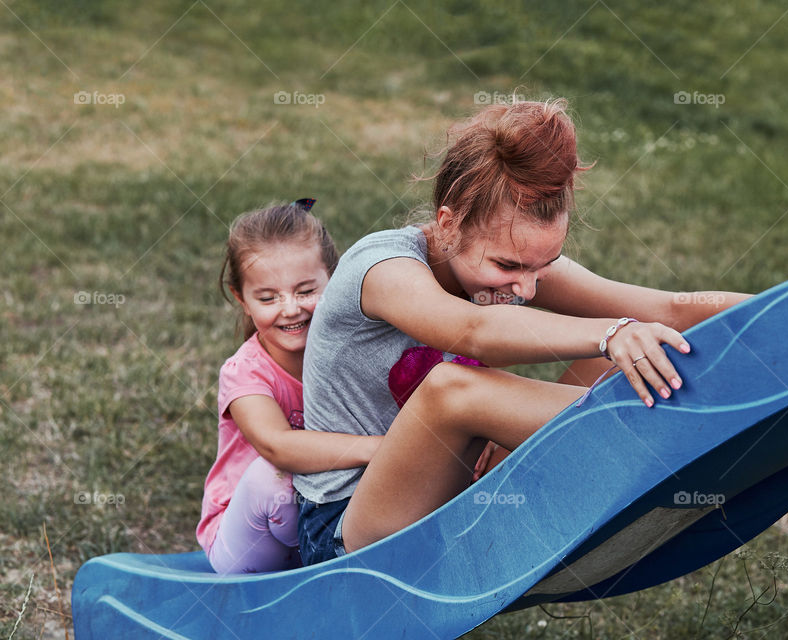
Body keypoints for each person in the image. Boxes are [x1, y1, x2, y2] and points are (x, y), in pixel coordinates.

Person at [293, 100, 752, 564]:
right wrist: (612, 332)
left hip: (459, 488)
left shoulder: (516, 258)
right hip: (347, 526)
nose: (527, 286)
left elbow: (668, 307)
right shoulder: (382, 268)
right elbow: (471, 331)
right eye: (507, 265)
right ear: (449, 224)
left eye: (543, 266)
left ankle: (675, 414)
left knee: (622, 350)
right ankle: (675, 420)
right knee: (455, 390)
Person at [196, 200, 385, 574]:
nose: (290, 308)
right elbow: (276, 446)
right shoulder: (245, 372)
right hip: (246, 538)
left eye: (305, 290)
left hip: (326, 513)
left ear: (333, 278)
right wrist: (384, 450)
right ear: (242, 299)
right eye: (268, 297)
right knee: (275, 481)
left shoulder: (351, 350)